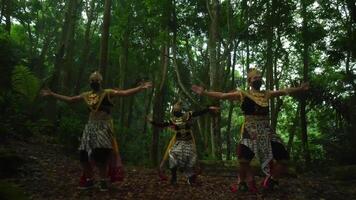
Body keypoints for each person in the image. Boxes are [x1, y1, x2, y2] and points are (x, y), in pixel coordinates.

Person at [191, 68, 309, 193]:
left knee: (283, 158)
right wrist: (204, 92)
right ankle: (243, 182)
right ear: (249, 81)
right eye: (255, 78)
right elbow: (223, 95)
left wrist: (300, 88)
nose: (258, 79)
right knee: (243, 160)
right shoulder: (243, 94)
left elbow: (284, 91)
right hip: (250, 130)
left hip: (266, 131)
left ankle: (271, 180)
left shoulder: (266, 94)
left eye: (259, 77)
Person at [41, 71, 152, 191]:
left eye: (96, 80)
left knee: (101, 155)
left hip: (103, 127)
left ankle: (103, 181)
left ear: (100, 81)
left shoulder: (107, 93)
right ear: (90, 82)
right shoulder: (86, 95)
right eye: (92, 80)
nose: (94, 82)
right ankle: (89, 180)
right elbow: (70, 99)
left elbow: (124, 93)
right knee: (83, 155)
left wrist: (140, 88)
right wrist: (52, 94)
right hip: (90, 127)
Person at [148, 101, 219, 185]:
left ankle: (191, 177)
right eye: (175, 108)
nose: (176, 109)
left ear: (179, 109)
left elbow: (198, 113)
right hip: (179, 142)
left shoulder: (187, 115)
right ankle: (174, 178)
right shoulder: (173, 120)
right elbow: (162, 125)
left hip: (188, 142)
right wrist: (152, 121)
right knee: (173, 157)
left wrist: (208, 109)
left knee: (188, 160)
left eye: (177, 108)